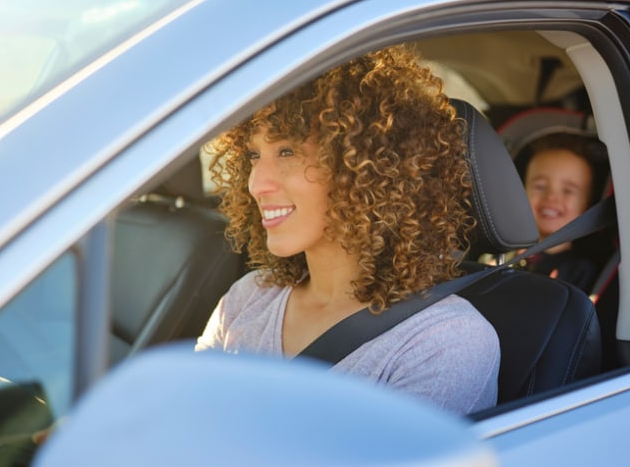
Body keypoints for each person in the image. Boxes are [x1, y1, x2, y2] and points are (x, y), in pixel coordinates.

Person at [194, 44, 500, 415]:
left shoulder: (444, 341)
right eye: (254, 155)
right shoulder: (248, 299)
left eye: (287, 152)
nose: (256, 184)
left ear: (371, 166)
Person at [520, 133, 608, 293]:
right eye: (540, 186)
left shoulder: (578, 272)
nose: (551, 197)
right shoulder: (501, 258)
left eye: (568, 191)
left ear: (586, 206)